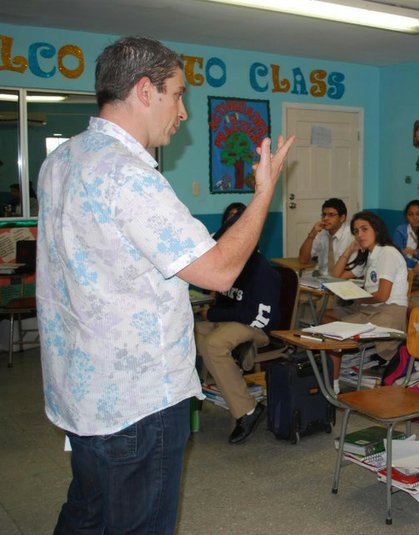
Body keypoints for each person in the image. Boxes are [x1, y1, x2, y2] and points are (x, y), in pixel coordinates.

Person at [35, 36, 293, 533]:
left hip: (81, 389)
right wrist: (263, 194)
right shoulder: (128, 175)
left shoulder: (62, 161)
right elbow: (219, 271)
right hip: (138, 400)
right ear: (144, 90)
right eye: (178, 94)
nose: (184, 112)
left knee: (87, 512)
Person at [195, 211, 281, 444]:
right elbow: (224, 302)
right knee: (190, 333)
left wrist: (213, 314)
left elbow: (258, 316)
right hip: (230, 321)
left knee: (214, 343)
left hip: (257, 328)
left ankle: (248, 409)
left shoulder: (261, 271)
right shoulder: (231, 266)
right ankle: (207, 389)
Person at [328, 211, 409, 394]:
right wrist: (349, 250)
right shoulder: (370, 255)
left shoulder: (387, 253)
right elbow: (335, 277)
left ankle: (333, 386)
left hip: (388, 311)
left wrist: (355, 296)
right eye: (356, 231)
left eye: (364, 229)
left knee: (332, 332)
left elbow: (382, 296)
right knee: (327, 317)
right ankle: (338, 371)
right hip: (370, 308)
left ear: (377, 230)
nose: (360, 235)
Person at [298, 197, 354, 276]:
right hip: (322, 277)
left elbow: (354, 269)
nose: (325, 218)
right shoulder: (321, 232)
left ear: (342, 218)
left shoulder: (352, 235)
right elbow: (303, 260)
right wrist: (311, 235)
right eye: (324, 215)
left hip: (343, 279)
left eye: (331, 215)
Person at [392, 199, 419, 268]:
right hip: (404, 269)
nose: (414, 217)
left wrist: (416, 253)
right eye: (410, 214)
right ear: (406, 217)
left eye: (418, 214)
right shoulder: (400, 231)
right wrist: (414, 263)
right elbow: (396, 255)